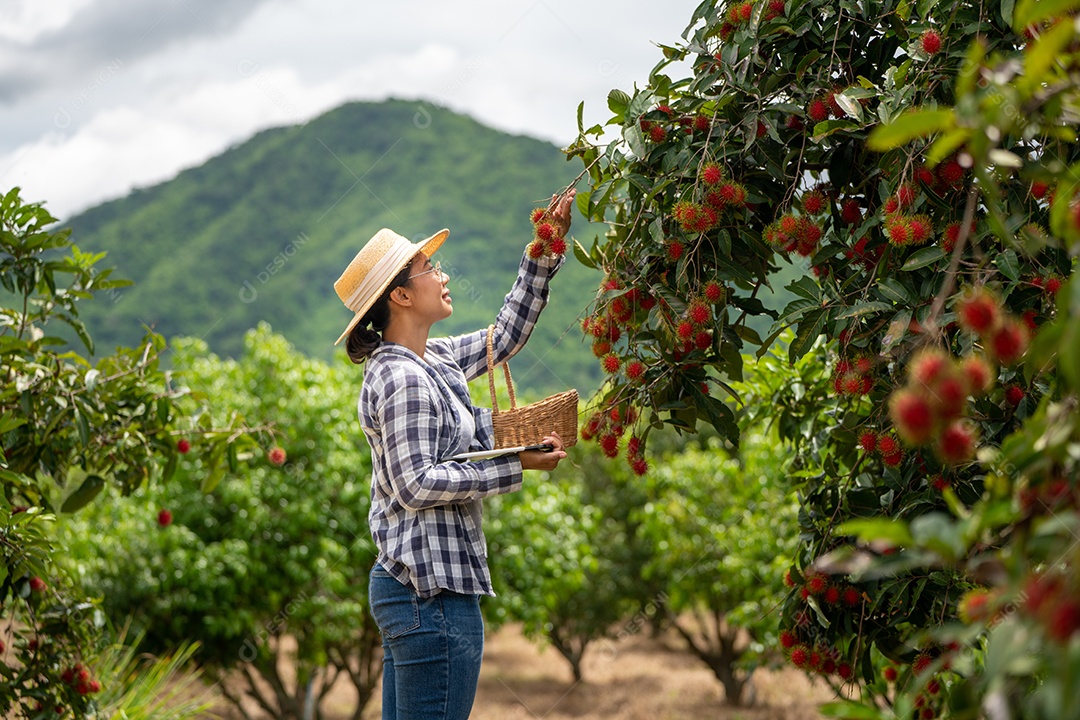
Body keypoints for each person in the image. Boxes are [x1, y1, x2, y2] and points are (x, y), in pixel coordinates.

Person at [332, 190, 575, 720]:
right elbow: (415, 483)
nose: (442, 275)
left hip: (421, 591)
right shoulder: (402, 377)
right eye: (428, 267)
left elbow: (503, 338)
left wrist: (542, 252)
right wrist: (515, 465)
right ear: (399, 296)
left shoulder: (431, 358)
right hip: (429, 595)